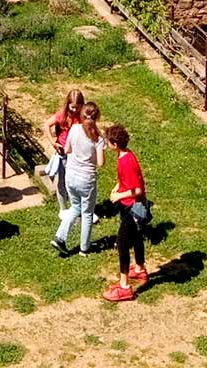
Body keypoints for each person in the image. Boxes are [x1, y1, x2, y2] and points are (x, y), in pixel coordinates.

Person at [52, 100, 105, 257]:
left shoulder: (74, 129)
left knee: (75, 207)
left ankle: (60, 237)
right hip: (86, 179)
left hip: (71, 176)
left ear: (82, 115)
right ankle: (84, 248)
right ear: (97, 118)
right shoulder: (98, 139)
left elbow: (67, 149)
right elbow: (101, 163)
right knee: (87, 213)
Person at [103, 123, 150, 302]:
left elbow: (137, 190)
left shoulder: (126, 161)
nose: (107, 144)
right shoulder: (125, 155)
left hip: (134, 207)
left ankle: (124, 287)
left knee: (122, 243)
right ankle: (139, 269)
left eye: (108, 142)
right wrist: (117, 187)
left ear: (115, 144)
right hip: (130, 205)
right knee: (137, 237)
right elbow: (126, 180)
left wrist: (118, 196)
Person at [45, 89, 85, 205]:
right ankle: (63, 208)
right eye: (72, 107)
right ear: (68, 104)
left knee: (75, 181)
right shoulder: (62, 115)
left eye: (77, 107)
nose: (74, 110)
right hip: (63, 152)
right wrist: (53, 142)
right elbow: (47, 124)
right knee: (62, 180)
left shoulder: (82, 116)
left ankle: (75, 206)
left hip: (76, 153)